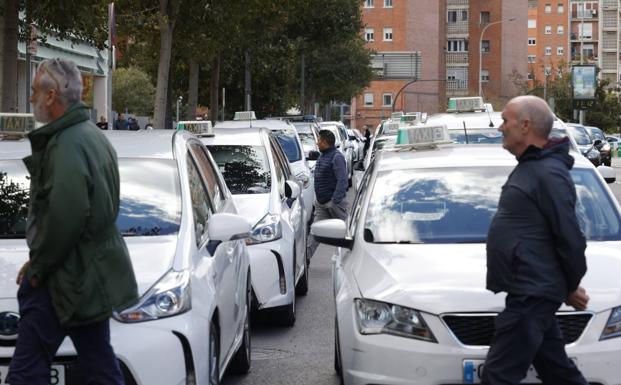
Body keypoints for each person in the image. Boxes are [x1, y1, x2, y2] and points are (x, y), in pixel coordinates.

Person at [7, 58, 139, 385]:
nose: (31, 99)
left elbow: (66, 218)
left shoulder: (66, 144)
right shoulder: (90, 136)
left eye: (35, 91)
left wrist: (37, 269)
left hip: (63, 278)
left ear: (51, 96)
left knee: (26, 373)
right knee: (101, 368)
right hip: (88, 277)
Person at [482, 95, 589, 385]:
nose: (500, 127)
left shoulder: (548, 173)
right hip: (531, 290)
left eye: (506, 120)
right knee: (558, 371)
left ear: (526, 125)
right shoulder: (533, 168)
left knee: (497, 375)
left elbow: (570, 237)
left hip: (532, 293)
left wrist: (568, 285)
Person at [307, 129, 349, 258]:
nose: (317, 142)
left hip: (333, 203)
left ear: (325, 142)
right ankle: (305, 259)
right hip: (321, 203)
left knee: (345, 233)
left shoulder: (337, 157)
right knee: (315, 232)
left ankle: (349, 257)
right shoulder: (322, 156)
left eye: (319, 140)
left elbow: (343, 180)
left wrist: (334, 201)